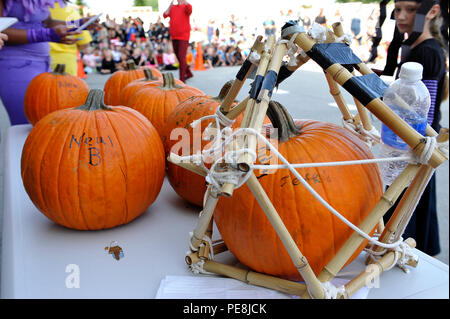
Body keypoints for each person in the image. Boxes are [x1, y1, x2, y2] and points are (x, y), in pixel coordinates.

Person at [382, 0, 448, 257]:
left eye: (410, 9)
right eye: (397, 9)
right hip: (406, 144)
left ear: (431, 11)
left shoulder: (426, 52)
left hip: (412, 147)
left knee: (408, 211)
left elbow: (422, 117)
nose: (400, 16)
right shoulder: (415, 46)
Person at [0, 0, 83, 125]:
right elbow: (2, 29)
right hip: (16, 66)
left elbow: (47, 22)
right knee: (27, 127)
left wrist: (80, 23)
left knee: (51, 124)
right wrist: (47, 35)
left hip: (44, 64)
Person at [49, 0, 92, 76]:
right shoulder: (71, 12)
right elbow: (84, 44)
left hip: (40, 62)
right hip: (67, 63)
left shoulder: (38, 11)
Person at [163, 0, 193, 82]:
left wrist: (185, 2)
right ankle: (189, 73)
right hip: (174, 36)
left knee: (181, 56)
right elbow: (165, 15)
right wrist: (170, 5)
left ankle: (182, 78)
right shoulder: (173, 7)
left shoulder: (186, 6)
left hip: (184, 36)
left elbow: (190, 10)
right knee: (178, 56)